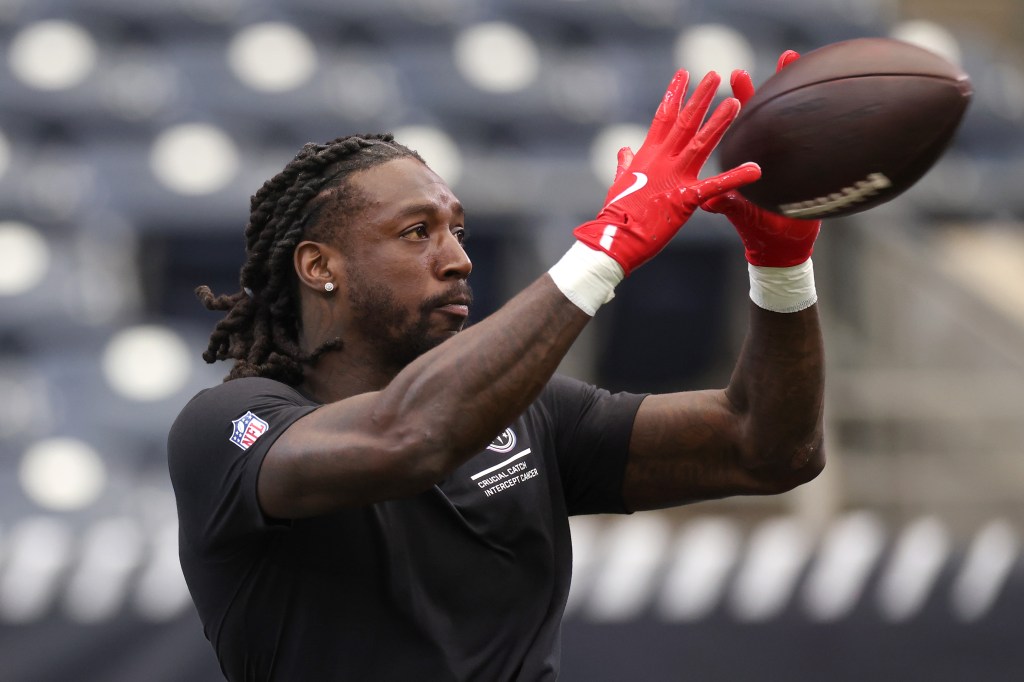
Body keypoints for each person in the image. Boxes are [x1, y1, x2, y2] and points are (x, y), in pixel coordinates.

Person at [168, 52, 825, 681]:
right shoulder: (228, 427)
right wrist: (606, 247)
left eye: (458, 230)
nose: (457, 258)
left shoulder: (533, 412)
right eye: (416, 232)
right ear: (319, 267)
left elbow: (769, 448)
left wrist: (781, 266)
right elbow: (408, 439)